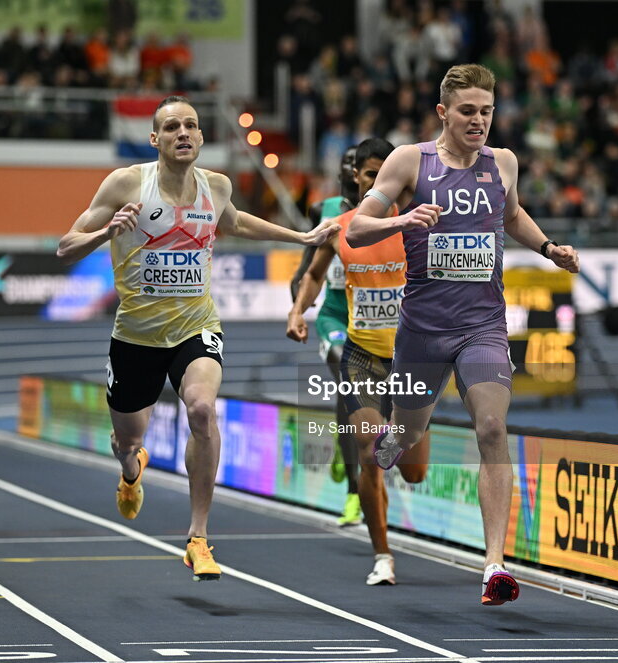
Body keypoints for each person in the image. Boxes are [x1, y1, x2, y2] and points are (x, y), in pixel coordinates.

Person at [56, 95, 339, 582]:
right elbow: (65, 246)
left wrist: (301, 237)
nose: (182, 133)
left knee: (203, 409)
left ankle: (198, 538)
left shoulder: (218, 186)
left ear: (202, 137)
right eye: (171, 127)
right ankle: (130, 469)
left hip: (196, 324)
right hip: (137, 336)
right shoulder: (127, 183)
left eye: (190, 125)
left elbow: (237, 222)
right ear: (155, 139)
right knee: (129, 439)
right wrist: (107, 230)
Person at [346, 64, 579, 606]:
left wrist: (548, 249)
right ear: (443, 113)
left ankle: (493, 565)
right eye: (468, 111)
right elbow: (358, 228)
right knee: (404, 444)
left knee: (493, 428)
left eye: (487, 111)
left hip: (482, 328)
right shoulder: (410, 161)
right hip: (423, 332)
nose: (479, 121)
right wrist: (401, 222)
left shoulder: (504, 163)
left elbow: (513, 214)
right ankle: (389, 441)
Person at [288, 138, 431, 586]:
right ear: (359, 179)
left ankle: (395, 435)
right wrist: (298, 311)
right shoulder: (341, 228)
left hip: (413, 359)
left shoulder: (420, 226)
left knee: (413, 469)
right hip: (362, 355)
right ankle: (382, 556)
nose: (377, 184)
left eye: (383, 175)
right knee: (370, 453)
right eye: (370, 175)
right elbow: (313, 273)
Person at [288, 145, 361, 527]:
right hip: (334, 316)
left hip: (370, 321)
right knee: (351, 384)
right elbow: (308, 268)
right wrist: (297, 303)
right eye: (347, 164)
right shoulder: (324, 211)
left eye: (360, 165)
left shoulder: (388, 211)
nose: (352, 171)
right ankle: (353, 493)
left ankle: (342, 438)